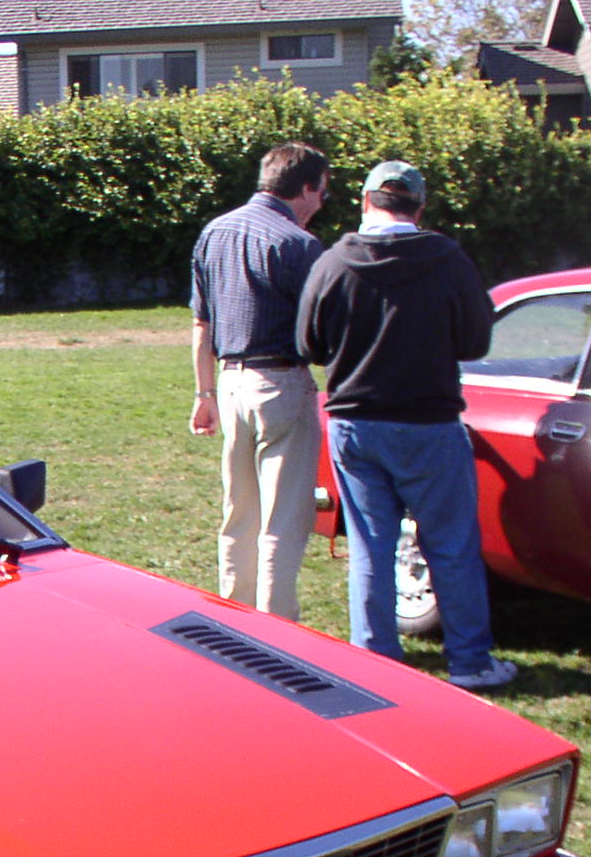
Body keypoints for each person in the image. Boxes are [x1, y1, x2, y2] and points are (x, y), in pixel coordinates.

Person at [296, 160, 515, 691]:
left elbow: (308, 344)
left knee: (371, 545)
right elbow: (476, 341)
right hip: (428, 422)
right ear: (418, 207)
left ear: (366, 202)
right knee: (451, 543)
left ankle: (376, 661)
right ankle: (469, 661)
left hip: (356, 423)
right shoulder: (446, 259)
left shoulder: (334, 263)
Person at [189, 142, 330, 620]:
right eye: (322, 193)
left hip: (229, 385)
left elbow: (201, 325)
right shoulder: (299, 244)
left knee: (238, 514)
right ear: (306, 188)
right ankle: (277, 631)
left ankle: (234, 619)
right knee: (282, 521)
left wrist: (203, 393)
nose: (321, 204)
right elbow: (323, 330)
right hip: (282, 384)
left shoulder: (214, 232)